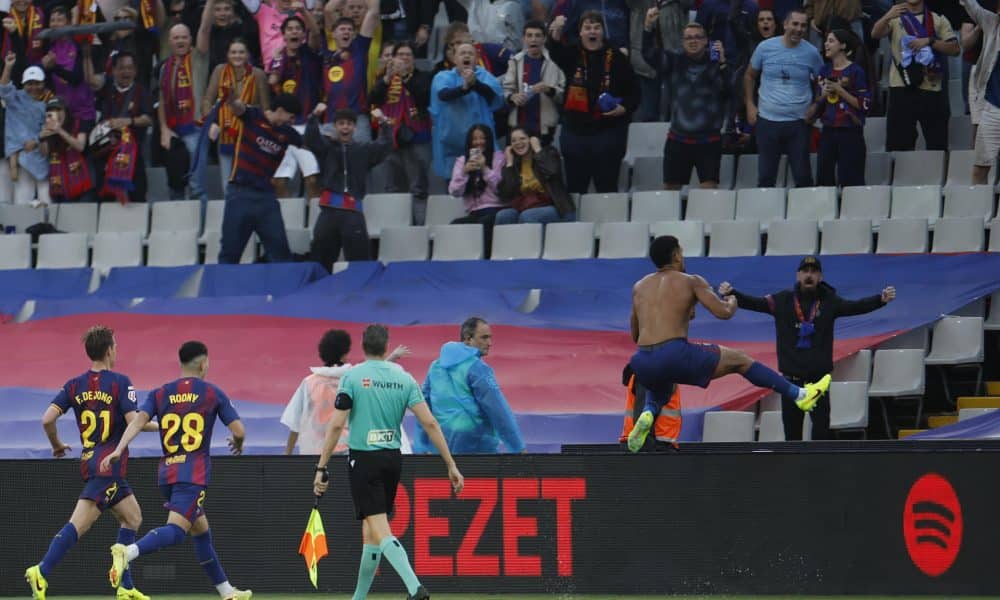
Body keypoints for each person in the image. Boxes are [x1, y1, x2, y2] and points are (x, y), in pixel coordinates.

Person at [626, 235, 832, 452]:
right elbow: (723, 313)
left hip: (642, 362)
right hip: (672, 352)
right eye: (682, 253)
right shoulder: (691, 280)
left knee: (662, 378)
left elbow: (636, 334)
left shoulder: (639, 287)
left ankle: (648, 412)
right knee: (740, 360)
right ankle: (801, 395)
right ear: (676, 255)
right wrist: (732, 301)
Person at [312, 324, 464, 600]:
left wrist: (321, 467)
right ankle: (358, 598)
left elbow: (335, 426)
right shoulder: (404, 378)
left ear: (363, 346)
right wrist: (450, 464)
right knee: (371, 531)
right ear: (386, 347)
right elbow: (429, 422)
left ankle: (415, 588)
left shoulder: (352, 377)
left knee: (380, 531)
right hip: (392, 461)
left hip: (364, 461)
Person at [101, 341, 249, 600]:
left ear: (181, 363)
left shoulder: (161, 393)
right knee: (177, 531)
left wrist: (118, 449)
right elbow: (239, 431)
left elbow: (138, 421)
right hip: (193, 474)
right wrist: (238, 443)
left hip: (167, 474)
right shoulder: (212, 392)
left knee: (201, 531)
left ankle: (227, 592)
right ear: (203, 364)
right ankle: (128, 552)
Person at [23, 326, 152, 600]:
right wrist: (166, 426)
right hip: (109, 465)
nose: (116, 350)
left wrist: (56, 445)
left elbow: (47, 419)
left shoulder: (74, 385)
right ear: (109, 350)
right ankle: (41, 570)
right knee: (79, 524)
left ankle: (125, 586)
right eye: (115, 346)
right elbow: (135, 422)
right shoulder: (120, 382)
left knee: (133, 517)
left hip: (92, 462)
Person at [718, 256, 896, 440]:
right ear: (798, 275)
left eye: (814, 271)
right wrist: (733, 293)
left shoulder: (830, 301)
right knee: (792, 439)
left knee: (821, 437)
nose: (809, 275)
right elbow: (755, 303)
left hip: (819, 382)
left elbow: (856, 307)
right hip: (791, 383)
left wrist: (880, 300)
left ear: (820, 277)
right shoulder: (782, 300)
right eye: (805, 271)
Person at [546, 10, 639, 193]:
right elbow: (555, 51)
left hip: (608, 133)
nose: (592, 32)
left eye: (597, 28)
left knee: (606, 188)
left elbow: (635, 92)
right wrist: (556, 32)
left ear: (603, 32)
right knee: (575, 189)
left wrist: (624, 107)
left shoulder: (617, 57)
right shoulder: (572, 54)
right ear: (580, 32)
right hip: (575, 134)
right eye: (587, 28)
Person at [281, 328, 410, 455]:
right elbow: (373, 369)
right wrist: (392, 356)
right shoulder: (355, 376)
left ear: (322, 352)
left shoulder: (309, 383)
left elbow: (295, 421)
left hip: (319, 452)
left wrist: (287, 453)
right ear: (345, 354)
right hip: (352, 450)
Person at [643, 16, 734, 190]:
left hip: (709, 141)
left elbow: (730, 91)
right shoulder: (673, 61)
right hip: (678, 139)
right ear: (682, 42)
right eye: (688, 38)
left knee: (709, 193)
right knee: (670, 191)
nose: (693, 41)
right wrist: (648, 28)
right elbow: (649, 55)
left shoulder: (716, 64)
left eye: (698, 37)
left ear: (706, 41)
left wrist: (723, 62)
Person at [415, 317, 526, 454]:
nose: (490, 343)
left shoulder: (435, 367)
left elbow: (422, 408)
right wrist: (518, 447)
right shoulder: (477, 368)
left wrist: (421, 447)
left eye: (490, 337)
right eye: (484, 338)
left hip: (442, 453)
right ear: (468, 338)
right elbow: (498, 410)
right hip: (477, 452)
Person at [216, 93, 301, 263]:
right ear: (280, 110)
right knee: (229, 254)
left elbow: (312, 144)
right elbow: (239, 108)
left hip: (267, 199)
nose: (292, 122)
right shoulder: (253, 116)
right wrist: (231, 99)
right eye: (291, 117)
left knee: (281, 256)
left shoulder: (289, 134)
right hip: (240, 194)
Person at [304, 105, 392, 268]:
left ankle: (361, 285)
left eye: (349, 124)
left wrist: (383, 122)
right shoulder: (326, 148)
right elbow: (311, 139)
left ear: (355, 128)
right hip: (329, 211)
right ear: (335, 126)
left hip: (353, 212)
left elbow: (385, 146)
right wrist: (314, 116)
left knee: (360, 263)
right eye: (341, 123)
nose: (345, 127)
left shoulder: (363, 150)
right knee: (320, 261)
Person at [744, 8, 824, 188]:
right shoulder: (765, 47)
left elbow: (822, 81)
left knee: (803, 177)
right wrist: (749, 104)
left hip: (799, 122)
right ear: (785, 24)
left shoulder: (811, 52)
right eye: (795, 24)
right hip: (767, 120)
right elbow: (749, 75)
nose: (799, 29)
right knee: (766, 178)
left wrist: (816, 105)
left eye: (803, 25)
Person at [872, 0, 959, 151]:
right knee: (899, 146)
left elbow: (955, 49)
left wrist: (930, 41)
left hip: (931, 88)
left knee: (937, 145)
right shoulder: (895, 18)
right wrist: (887, 16)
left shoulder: (937, 19)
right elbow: (875, 34)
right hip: (901, 87)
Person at [368, 41, 433, 218]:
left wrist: (404, 76)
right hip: (390, 138)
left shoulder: (423, 76)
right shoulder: (384, 78)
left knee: (418, 188)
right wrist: (387, 79)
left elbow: (424, 97)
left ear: (414, 58)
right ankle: (395, 225)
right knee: (392, 188)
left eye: (408, 54)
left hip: (417, 138)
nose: (404, 58)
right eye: (400, 55)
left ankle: (419, 227)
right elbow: (372, 99)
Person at [203, 37, 270, 195]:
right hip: (226, 131)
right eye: (233, 52)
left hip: (250, 133)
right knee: (228, 180)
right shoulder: (220, 71)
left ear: (247, 55)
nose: (237, 56)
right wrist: (211, 121)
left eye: (241, 52)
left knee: (250, 178)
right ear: (227, 55)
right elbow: (207, 100)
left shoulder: (258, 74)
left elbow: (266, 108)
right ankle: (230, 206)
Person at [430, 41, 504, 180]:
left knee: (483, 180)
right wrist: (464, 88)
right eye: (462, 53)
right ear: (454, 59)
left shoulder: (485, 76)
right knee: (455, 183)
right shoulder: (443, 77)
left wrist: (475, 83)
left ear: (476, 59)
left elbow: (494, 97)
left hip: (481, 141)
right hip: (452, 140)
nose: (467, 56)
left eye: (471, 53)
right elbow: (443, 95)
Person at [269, 15, 323, 199]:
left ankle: (315, 214)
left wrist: (304, 12)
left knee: (312, 178)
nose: (294, 32)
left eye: (298, 29)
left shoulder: (310, 53)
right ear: (283, 34)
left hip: (308, 124)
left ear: (303, 34)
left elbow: (316, 33)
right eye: (290, 29)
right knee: (279, 181)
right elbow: (272, 81)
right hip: (285, 128)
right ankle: (287, 215)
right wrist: (277, 61)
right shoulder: (279, 58)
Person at [89, 51, 155, 204]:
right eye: (121, 68)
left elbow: (148, 119)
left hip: (132, 150)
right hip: (106, 149)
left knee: (138, 192)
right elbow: (90, 80)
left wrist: (128, 121)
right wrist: (87, 54)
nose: (126, 72)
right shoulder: (106, 90)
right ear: (113, 71)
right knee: (103, 193)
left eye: (130, 68)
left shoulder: (141, 91)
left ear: (135, 71)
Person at [811, 29, 870, 187]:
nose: (826, 44)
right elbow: (818, 100)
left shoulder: (856, 71)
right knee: (824, 180)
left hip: (850, 130)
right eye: (826, 41)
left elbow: (863, 105)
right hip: (828, 130)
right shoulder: (824, 70)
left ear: (843, 45)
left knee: (851, 180)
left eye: (831, 41)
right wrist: (823, 95)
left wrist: (840, 90)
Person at [158, 23, 208, 201]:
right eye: (176, 38)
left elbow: (205, 28)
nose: (180, 41)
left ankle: (201, 218)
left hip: (195, 128)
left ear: (191, 40)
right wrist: (163, 128)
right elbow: (161, 100)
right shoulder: (164, 67)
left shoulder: (198, 59)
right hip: (173, 131)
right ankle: (177, 217)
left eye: (184, 37)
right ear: (170, 41)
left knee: (196, 187)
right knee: (175, 185)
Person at [321, 0, 380, 142]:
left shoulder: (360, 48)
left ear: (354, 35)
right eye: (342, 29)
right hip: (331, 119)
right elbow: (328, 10)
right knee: (327, 156)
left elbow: (373, 12)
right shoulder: (326, 55)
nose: (346, 31)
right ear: (333, 34)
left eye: (349, 30)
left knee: (362, 155)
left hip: (357, 118)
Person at [501, 20, 565, 145]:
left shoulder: (555, 61)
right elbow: (506, 90)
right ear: (524, 39)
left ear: (544, 39)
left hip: (545, 128)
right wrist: (512, 97)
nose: (533, 39)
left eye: (537, 35)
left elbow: (563, 95)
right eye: (529, 35)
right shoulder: (515, 61)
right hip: (518, 127)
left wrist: (548, 89)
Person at [0, 57, 52, 207]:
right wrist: (8, 66)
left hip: (41, 159)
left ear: (43, 83)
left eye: (37, 83)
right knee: (22, 204)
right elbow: (3, 88)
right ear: (23, 84)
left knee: (47, 203)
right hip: (20, 160)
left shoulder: (48, 104)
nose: (33, 87)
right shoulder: (14, 98)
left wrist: (36, 140)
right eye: (30, 84)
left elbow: (48, 131)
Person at [496, 127, 575, 225]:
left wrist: (538, 149)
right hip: (527, 207)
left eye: (522, 138)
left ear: (532, 139)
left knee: (528, 216)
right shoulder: (515, 164)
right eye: (514, 141)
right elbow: (506, 193)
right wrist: (509, 164)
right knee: (503, 215)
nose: (518, 143)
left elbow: (552, 172)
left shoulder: (549, 152)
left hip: (557, 208)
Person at [449, 123, 507, 248]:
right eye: (475, 139)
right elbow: (454, 192)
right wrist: (464, 172)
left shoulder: (499, 158)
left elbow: (501, 188)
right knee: (455, 225)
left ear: (489, 140)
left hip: (496, 209)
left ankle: (485, 257)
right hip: (474, 212)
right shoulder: (462, 161)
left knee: (485, 223)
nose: (479, 142)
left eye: (483, 138)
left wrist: (484, 168)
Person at [41, 6, 96, 133]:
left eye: (60, 20)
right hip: (61, 112)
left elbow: (77, 78)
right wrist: (46, 69)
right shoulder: (50, 48)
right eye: (52, 20)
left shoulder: (78, 45)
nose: (55, 24)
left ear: (69, 23)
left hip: (83, 112)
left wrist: (54, 67)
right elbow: (49, 82)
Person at [963, 0, 1000, 184]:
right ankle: (976, 201)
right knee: (979, 170)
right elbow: (972, 7)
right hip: (993, 108)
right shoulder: (992, 23)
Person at [40, 98, 93, 203]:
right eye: (51, 110)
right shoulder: (48, 127)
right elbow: (44, 152)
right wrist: (41, 138)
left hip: (81, 181)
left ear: (66, 111)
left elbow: (80, 146)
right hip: (59, 184)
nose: (55, 113)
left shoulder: (79, 122)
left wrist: (59, 130)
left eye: (58, 110)